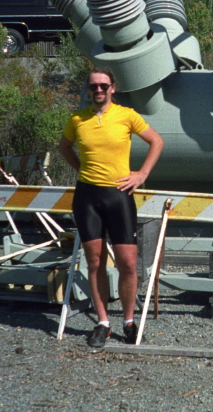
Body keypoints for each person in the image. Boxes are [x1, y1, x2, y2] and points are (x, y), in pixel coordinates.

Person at [57, 68, 164, 347]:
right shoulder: (77, 119)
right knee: (95, 262)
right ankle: (103, 323)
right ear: (88, 90)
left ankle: (128, 321)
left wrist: (141, 175)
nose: (99, 90)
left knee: (128, 263)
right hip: (87, 197)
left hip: (119, 195)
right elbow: (64, 147)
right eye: (94, 86)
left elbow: (157, 141)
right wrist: (81, 170)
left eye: (104, 85)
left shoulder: (127, 115)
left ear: (113, 88)